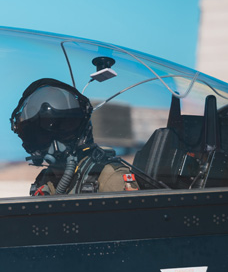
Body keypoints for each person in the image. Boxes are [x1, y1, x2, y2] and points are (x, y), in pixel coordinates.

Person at [10, 78, 139, 195]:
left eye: (64, 129)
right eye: (44, 134)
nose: (55, 144)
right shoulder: (45, 180)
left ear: (81, 128)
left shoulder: (108, 176)